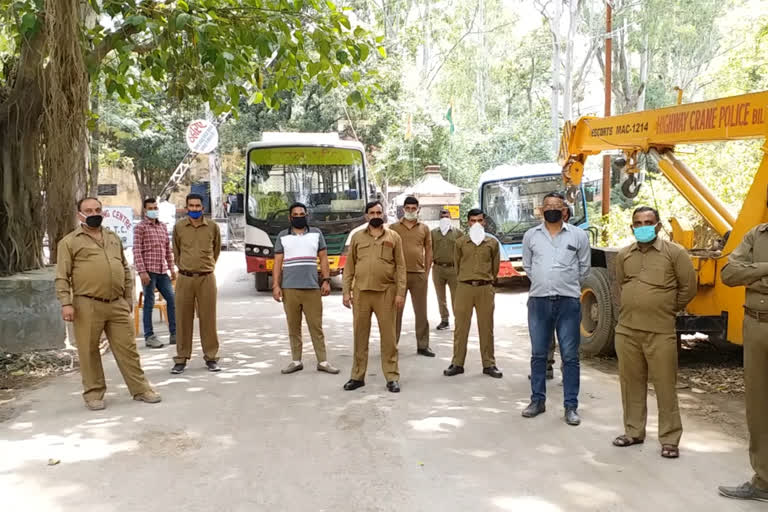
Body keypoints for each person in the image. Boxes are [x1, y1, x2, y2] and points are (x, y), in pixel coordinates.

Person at [55, 197, 161, 410]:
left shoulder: (112, 237)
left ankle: (141, 389)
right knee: (88, 350)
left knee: (128, 348)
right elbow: (62, 276)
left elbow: (124, 267)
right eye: (88, 210)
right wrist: (66, 303)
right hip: (87, 304)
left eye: (97, 209)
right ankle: (94, 393)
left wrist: (127, 298)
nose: (94, 213)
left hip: (116, 303)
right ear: (79, 215)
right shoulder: (69, 242)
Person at [612, 206, 697, 459]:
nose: (643, 226)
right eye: (638, 222)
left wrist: (666, 308)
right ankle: (633, 431)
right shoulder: (624, 255)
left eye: (648, 221)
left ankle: (670, 438)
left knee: (665, 385)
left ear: (658, 226)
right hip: (627, 330)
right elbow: (621, 284)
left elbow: (688, 288)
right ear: (632, 227)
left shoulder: (674, 253)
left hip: (660, 332)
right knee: (630, 384)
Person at [521, 192, 590, 426]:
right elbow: (528, 267)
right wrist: (545, 281)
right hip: (539, 301)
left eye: (556, 206)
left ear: (564, 210)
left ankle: (571, 406)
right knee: (538, 354)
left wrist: (564, 283)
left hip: (568, 301)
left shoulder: (579, 236)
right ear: (541, 209)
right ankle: (537, 401)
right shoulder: (531, 235)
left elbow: (584, 268)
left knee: (570, 355)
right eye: (547, 205)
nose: (552, 209)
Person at [718, 224, 768, 501]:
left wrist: (753, 274)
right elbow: (729, 273)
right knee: (758, 406)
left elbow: (742, 274)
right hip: (755, 326)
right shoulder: (756, 235)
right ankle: (763, 481)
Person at [342, 201, 407, 393]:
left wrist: (400, 293)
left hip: (386, 293)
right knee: (360, 336)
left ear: (383, 214)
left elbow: (401, 267)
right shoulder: (357, 237)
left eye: (379, 212)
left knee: (389, 338)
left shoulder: (393, 237)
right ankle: (357, 376)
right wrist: (346, 291)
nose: (376, 215)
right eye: (372, 212)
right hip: (361, 293)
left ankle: (392, 377)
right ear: (366, 216)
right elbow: (349, 266)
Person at [272, 202, 340, 375]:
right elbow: (278, 262)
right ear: (290, 218)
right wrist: (276, 285)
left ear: (306, 215)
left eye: (302, 214)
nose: (299, 217)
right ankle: (296, 361)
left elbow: (323, 258)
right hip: (289, 289)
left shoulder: (316, 234)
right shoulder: (282, 236)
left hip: (312, 288)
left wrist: (326, 280)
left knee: (316, 326)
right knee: (293, 327)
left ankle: (323, 361)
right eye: (295, 215)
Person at [443, 208, 503, 379]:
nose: (476, 224)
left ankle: (489, 364)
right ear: (468, 222)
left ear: (484, 222)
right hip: (464, 287)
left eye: (480, 220)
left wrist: (489, 282)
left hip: (485, 287)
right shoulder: (460, 243)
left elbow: (495, 266)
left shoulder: (492, 243)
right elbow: (457, 263)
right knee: (461, 327)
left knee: (486, 327)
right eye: (473, 221)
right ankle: (457, 363)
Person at [170, 193, 222, 374]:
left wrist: (206, 266)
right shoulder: (179, 227)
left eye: (197, 206)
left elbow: (216, 251)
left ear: (203, 208)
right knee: (183, 318)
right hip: (184, 278)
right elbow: (175, 251)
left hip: (206, 277)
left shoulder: (212, 227)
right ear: (186, 208)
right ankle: (181, 358)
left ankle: (211, 357)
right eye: (191, 206)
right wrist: (185, 267)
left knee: (208, 319)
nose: (194, 209)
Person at [390, 196, 434, 356]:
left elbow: (429, 250)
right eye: (407, 208)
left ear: (418, 209)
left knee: (421, 311)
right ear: (403, 209)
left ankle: (423, 345)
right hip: (398, 276)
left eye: (413, 208)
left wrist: (427, 271)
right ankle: (391, 344)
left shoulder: (424, 228)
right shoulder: (393, 228)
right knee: (395, 311)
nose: (410, 211)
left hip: (419, 274)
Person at [133, 197, 177, 349]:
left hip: (162, 270)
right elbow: (137, 250)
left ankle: (175, 333)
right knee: (149, 303)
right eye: (150, 208)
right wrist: (142, 271)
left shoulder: (162, 227)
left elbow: (167, 250)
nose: (153, 211)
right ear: (145, 210)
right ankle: (149, 336)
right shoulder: (140, 228)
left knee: (172, 299)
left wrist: (172, 269)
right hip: (148, 271)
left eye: (155, 208)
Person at [431, 209, 460, 330]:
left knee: (456, 296)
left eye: (447, 216)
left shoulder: (457, 233)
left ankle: (458, 320)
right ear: (439, 218)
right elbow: (429, 249)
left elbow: (462, 251)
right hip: (438, 268)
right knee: (440, 296)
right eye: (442, 216)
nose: (445, 218)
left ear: (451, 217)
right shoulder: (433, 233)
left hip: (453, 269)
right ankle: (444, 320)